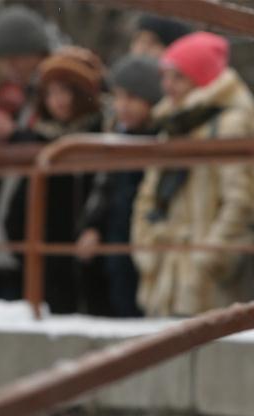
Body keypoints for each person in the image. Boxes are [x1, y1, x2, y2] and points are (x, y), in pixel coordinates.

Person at [131, 32, 254, 316]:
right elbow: (147, 196)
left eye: (177, 77)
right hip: (167, 271)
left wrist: (209, 258)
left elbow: (243, 200)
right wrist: (147, 248)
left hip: (206, 280)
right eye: (165, 77)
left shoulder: (230, 124)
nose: (167, 86)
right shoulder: (173, 123)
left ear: (200, 77)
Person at [5, 46, 105, 315]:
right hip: (52, 265)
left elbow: (108, 192)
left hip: (98, 261)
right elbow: (16, 214)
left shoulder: (103, 135)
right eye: (50, 93)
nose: (58, 100)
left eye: (66, 90)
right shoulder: (39, 140)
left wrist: (98, 230)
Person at [76, 54, 163, 317]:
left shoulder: (161, 140)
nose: (123, 106)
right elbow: (104, 188)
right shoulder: (114, 137)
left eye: (133, 98)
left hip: (148, 241)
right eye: (119, 97)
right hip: (115, 238)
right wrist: (92, 225)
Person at [0, 4, 53, 301]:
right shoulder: (24, 96)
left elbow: (56, 142)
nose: (11, 69)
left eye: (17, 59)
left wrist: (14, 134)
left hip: (44, 231)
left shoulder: (53, 89)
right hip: (17, 231)